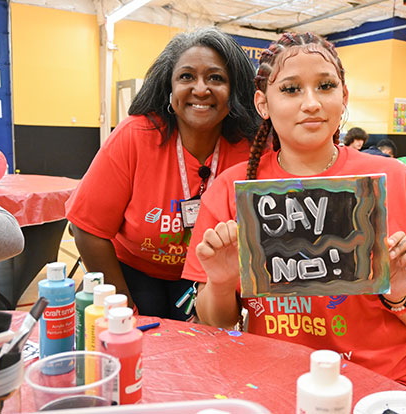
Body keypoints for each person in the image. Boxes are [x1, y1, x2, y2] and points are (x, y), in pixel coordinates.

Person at [181, 32, 406, 398]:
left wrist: (400, 295)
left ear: (343, 97)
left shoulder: (395, 180)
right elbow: (218, 323)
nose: (311, 103)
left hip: (392, 383)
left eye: (325, 86)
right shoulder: (231, 190)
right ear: (263, 103)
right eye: (291, 89)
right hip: (275, 380)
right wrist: (219, 281)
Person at [66, 27, 261, 320]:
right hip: (131, 270)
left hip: (206, 276)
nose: (200, 89)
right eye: (186, 77)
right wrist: (123, 311)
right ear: (169, 91)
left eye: (216, 78)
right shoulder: (135, 135)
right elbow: (86, 229)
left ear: (234, 91)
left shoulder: (252, 150)